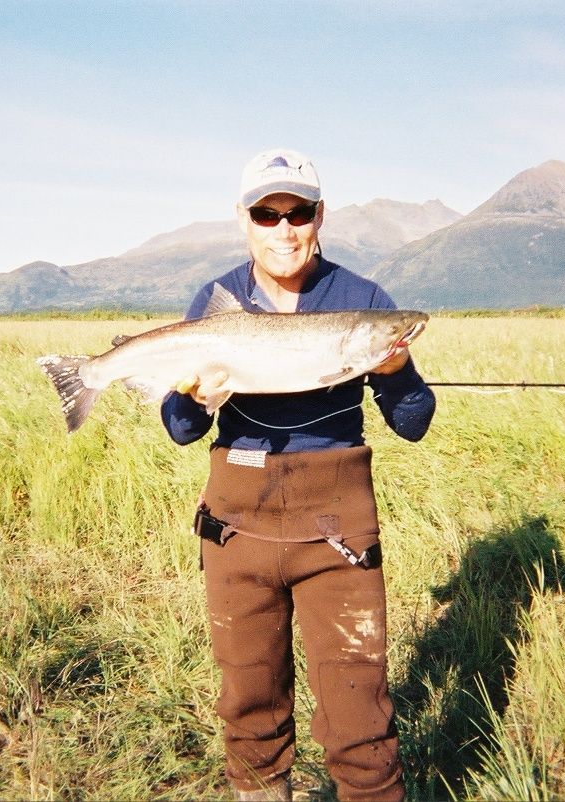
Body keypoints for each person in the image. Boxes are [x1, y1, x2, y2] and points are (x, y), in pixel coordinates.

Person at [161, 149, 436, 802]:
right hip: (237, 529)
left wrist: (396, 372)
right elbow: (179, 428)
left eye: (298, 213)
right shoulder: (215, 300)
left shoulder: (365, 302)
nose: (283, 229)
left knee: (360, 718)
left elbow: (416, 420)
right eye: (266, 213)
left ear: (320, 217)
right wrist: (196, 398)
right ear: (243, 220)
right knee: (249, 708)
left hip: (338, 531)